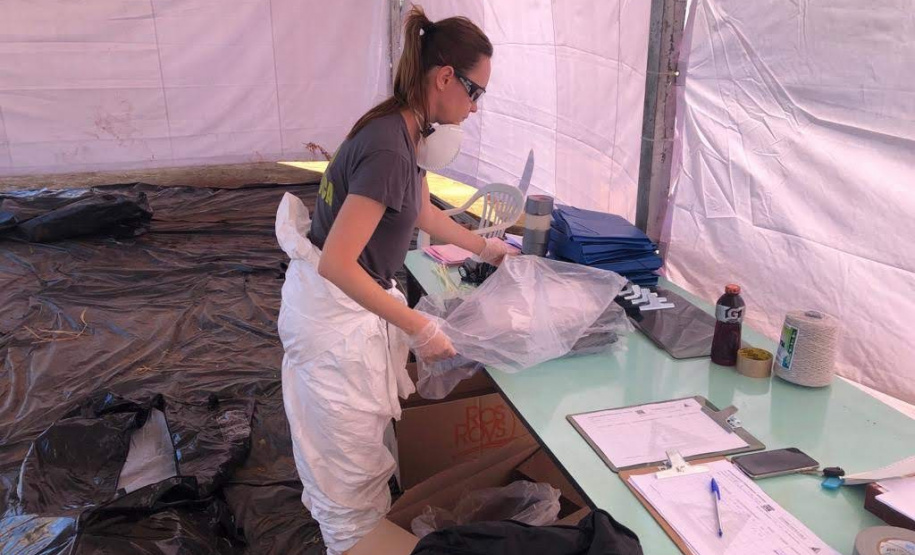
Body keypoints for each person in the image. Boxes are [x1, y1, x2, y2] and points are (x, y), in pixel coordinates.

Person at [274, 6, 508, 554]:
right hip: (333, 323)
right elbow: (337, 262)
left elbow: (422, 213)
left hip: (340, 311)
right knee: (349, 490)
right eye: (474, 92)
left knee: (358, 468)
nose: (475, 109)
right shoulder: (388, 147)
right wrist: (417, 326)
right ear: (444, 77)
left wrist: (485, 245)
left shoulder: (405, 133)